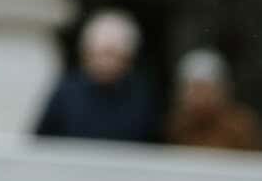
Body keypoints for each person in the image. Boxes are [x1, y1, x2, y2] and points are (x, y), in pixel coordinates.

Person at [33, 9, 162, 145]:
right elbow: (41, 140)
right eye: (99, 53)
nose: (104, 62)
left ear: (127, 59)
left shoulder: (141, 96)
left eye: (111, 54)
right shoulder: (66, 92)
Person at [167, 49, 261, 152]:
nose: (199, 99)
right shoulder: (177, 126)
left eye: (204, 90)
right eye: (193, 91)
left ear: (221, 90)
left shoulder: (241, 127)